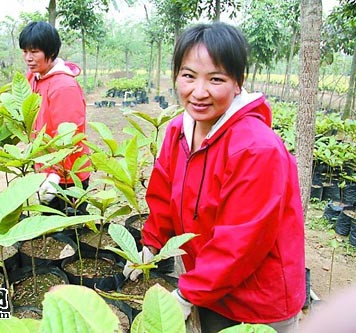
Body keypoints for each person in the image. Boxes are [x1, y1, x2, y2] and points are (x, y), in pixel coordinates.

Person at [123, 22, 305, 333]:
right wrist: (150, 245)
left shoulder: (256, 148)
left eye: (216, 79)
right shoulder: (179, 130)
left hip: (256, 303)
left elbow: (241, 243)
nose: (199, 92)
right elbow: (164, 195)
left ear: (238, 83)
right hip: (209, 288)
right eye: (188, 76)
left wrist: (187, 294)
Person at [19, 21, 90, 214]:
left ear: (50, 52)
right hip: (45, 168)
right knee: (49, 233)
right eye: (25, 51)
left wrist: (55, 174)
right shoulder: (33, 78)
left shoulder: (63, 86)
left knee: (70, 232)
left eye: (34, 52)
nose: (28, 58)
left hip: (68, 173)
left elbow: (69, 135)